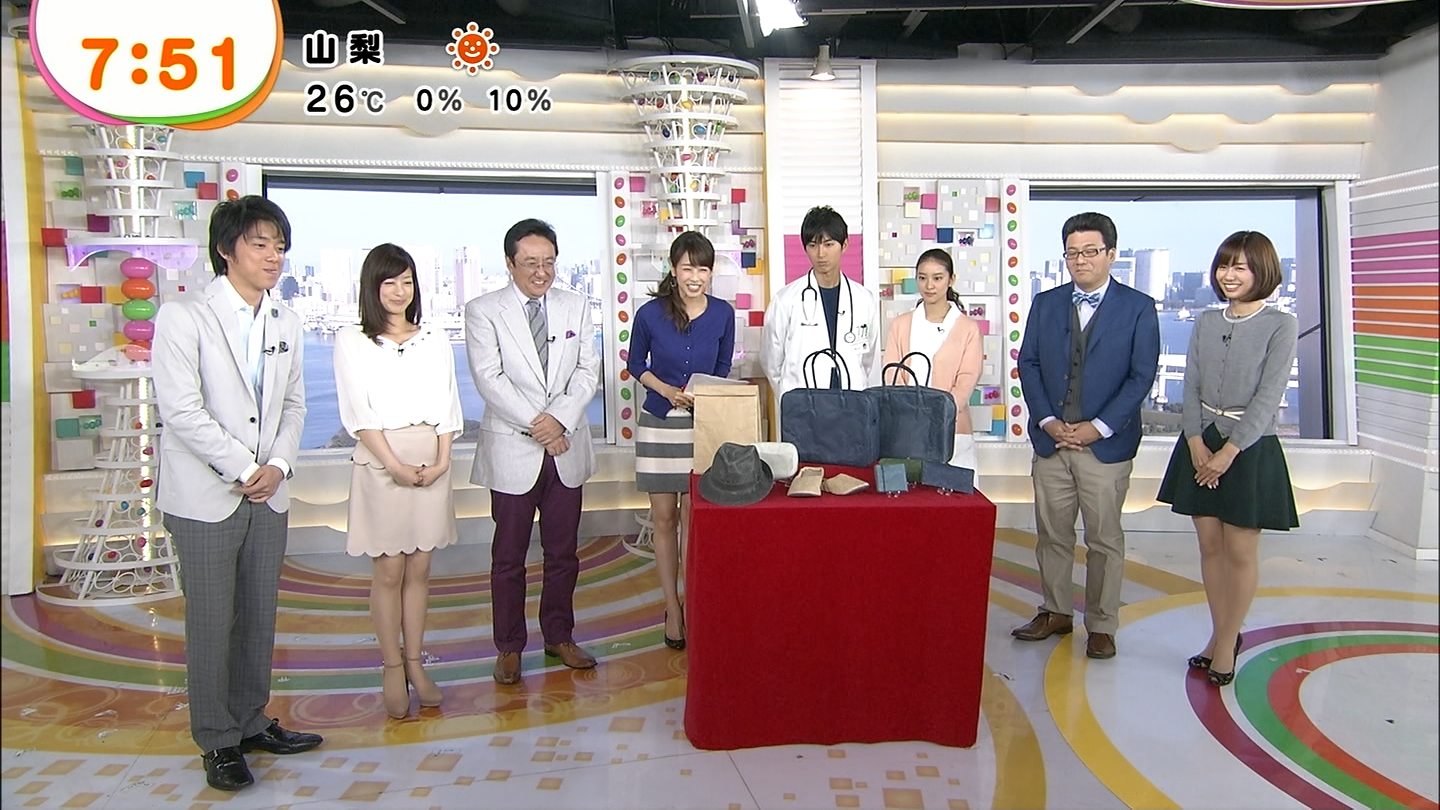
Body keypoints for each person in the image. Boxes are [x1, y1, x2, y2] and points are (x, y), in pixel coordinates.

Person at [150, 195, 322, 792]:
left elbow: (294, 405)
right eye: (260, 244)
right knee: (211, 620)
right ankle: (217, 739)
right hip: (206, 496)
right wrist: (246, 467)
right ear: (226, 250)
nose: (274, 257)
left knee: (258, 616)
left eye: (280, 247)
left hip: (268, 493)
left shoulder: (286, 320)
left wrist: (278, 465)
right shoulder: (184, 316)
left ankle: (250, 720)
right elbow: (181, 411)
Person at [1013, 212, 1161, 660]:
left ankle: (1101, 625)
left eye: (1090, 251)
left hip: (1106, 446)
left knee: (1104, 540)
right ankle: (1056, 611)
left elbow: (1141, 376)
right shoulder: (1046, 303)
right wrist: (1047, 420)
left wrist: (1098, 427)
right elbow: (1028, 363)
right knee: (1052, 535)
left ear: (1111, 254)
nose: (1080, 260)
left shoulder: (1138, 307)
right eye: (1072, 252)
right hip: (1052, 442)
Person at [1157, 231, 1299, 686]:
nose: (1229, 275)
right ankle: (1222, 636)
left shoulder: (1281, 324)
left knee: (1239, 549)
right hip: (1201, 442)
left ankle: (1225, 643)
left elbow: (1269, 396)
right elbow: (1191, 385)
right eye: (1224, 265)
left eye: (1240, 267)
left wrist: (1229, 452)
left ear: (1262, 272)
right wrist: (1196, 442)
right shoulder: (1205, 321)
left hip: (1249, 449)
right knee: (1209, 547)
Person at [465, 218, 601, 685]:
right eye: (530, 263)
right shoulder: (484, 311)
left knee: (564, 554)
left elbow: (587, 371)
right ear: (510, 263)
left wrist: (559, 419)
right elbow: (490, 379)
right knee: (509, 557)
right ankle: (509, 646)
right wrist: (541, 426)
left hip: (566, 447)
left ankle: (559, 636)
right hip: (513, 450)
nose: (541, 272)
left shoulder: (576, 305)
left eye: (548, 262)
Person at [333, 243, 463, 718]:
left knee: (421, 569)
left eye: (406, 281)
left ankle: (415, 663)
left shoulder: (434, 338)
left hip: (431, 460)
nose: (399, 291)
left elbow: (448, 403)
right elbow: (358, 413)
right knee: (389, 571)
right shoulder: (352, 340)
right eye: (389, 282)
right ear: (372, 287)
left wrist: (443, 460)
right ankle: (391, 666)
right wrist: (393, 465)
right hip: (381, 461)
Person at [627, 231, 736, 650]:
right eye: (688, 268)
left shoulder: (723, 314)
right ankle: (671, 608)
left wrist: (700, 393)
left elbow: (722, 366)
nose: (695, 277)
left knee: (693, 517)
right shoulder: (650, 314)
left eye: (703, 269)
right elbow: (636, 363)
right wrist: (668, 390)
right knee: (664, 519)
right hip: (658, 422)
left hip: (701, 425)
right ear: (673, 270)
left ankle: (692, 603)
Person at [762, 205, 879, 416]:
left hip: (851, 405)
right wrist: (789, 396)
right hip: (803, 407)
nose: (820, 254)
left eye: (828, 244)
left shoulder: (864, 299)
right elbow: (771, 360)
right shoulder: (786, 299)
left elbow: (868, 358)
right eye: (813, 245)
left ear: (844, 245)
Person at [882, 248, 985, 477]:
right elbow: (892, 374)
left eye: (937, 278)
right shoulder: (901, 325)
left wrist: (938, 416)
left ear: (951, 280)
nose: (929, 285)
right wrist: (912, 415)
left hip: (953, 430)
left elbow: (966, 380)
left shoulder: (968, 328)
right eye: (922, 278)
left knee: (955, 494)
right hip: (907, 429)